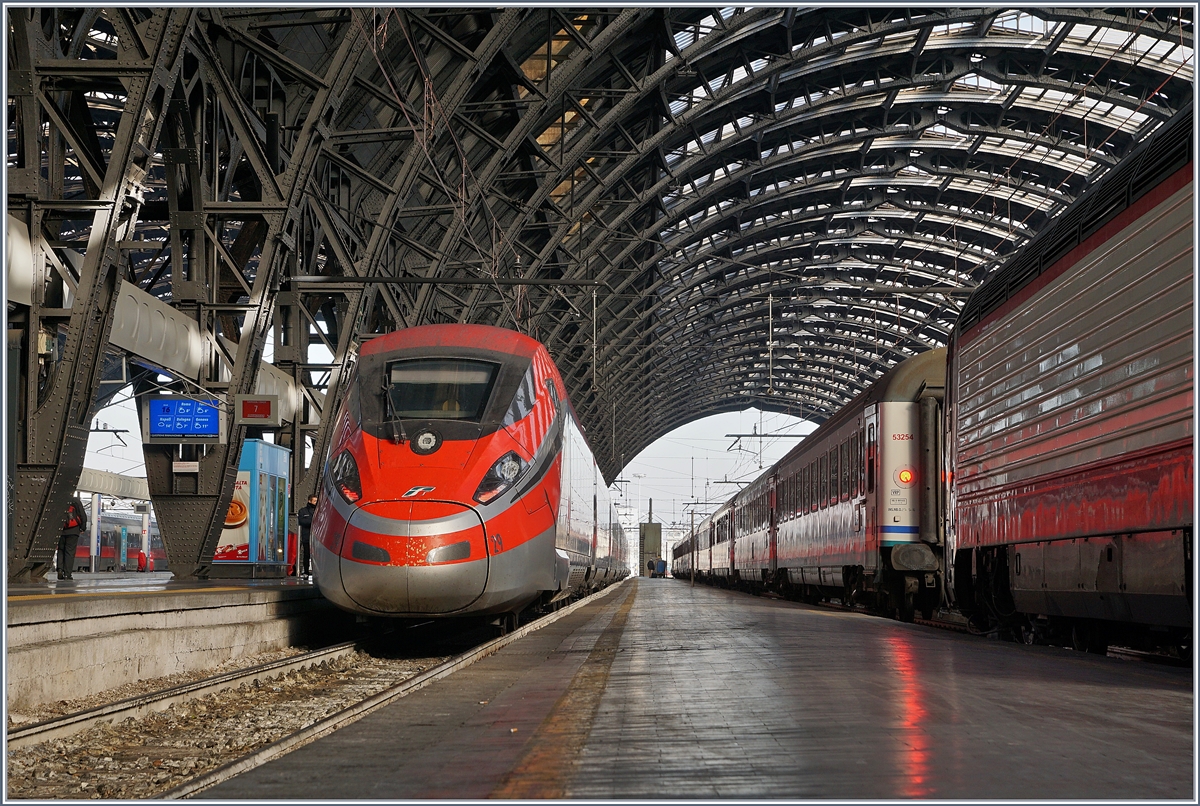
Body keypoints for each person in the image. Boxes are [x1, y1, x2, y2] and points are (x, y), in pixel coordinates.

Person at [58, 494, 87, 581]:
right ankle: (67, 574)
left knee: (61, 550)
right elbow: (83, 515)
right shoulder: (75, 501)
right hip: (73, 530)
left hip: (61, 530)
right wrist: (82, 528)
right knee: (69, 552)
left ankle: (60, 569)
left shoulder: (59, 500)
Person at [296, 494, 318, 579]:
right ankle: (306, 572)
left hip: (317, 538)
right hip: (307, 537)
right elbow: (302, 521)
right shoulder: (303, 511)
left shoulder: (319, 510)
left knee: (317, 555)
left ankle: (316, 572)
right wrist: (313, 521)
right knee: (306, 554)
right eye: (314, 501)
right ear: (309, 501)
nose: (316, 503)